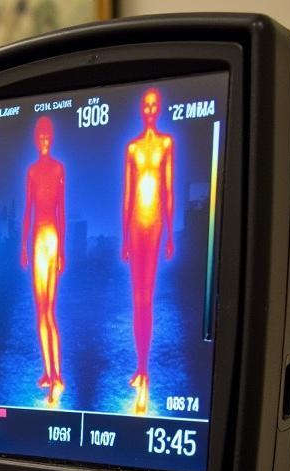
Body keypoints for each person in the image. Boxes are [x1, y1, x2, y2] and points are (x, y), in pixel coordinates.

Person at [122, 87, 175, 414]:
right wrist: (124, 238)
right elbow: (127, 195)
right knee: (136, 299)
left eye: (155, 105)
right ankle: (139, 367)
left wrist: (169, 233)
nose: (151, 109)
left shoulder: (166, 144)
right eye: (147, 105)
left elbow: (167, 190)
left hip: (154, 225)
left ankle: (145, 372)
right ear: (142, 110)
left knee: (146, 298)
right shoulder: (132, 148)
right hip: (135, 229)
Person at [21, 115, 66, 406]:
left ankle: (57, 376)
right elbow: (28, 209)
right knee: (41, 311)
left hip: (51, 240)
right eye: (41, 136)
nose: (44, 141)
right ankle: (48, 373)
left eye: (48, 136)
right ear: (37, 140)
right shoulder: (33, 172)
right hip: (37, 241)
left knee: (49, 312)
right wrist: (24, 247)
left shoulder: (58, 169)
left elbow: (61, 212)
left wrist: (61, 250)